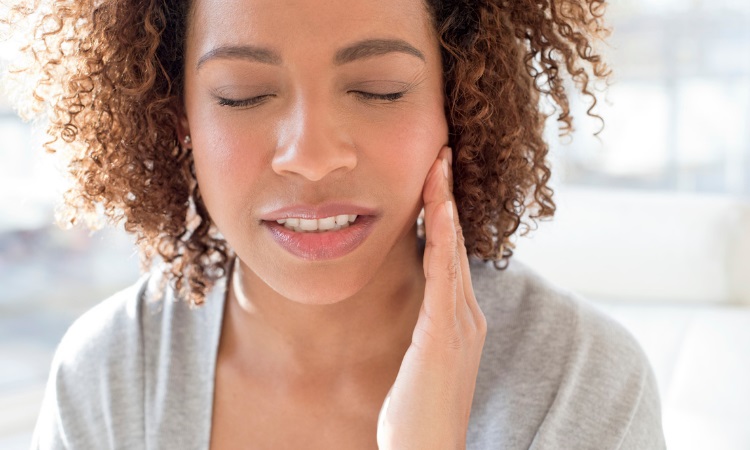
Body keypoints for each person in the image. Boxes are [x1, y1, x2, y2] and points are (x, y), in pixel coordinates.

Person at [3, 0, 665, 448]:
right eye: (243, 95)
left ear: (456, 99)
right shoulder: (111, 377)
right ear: (178, 120)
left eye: (379, 88)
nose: (313, 158)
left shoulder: (580, 384)